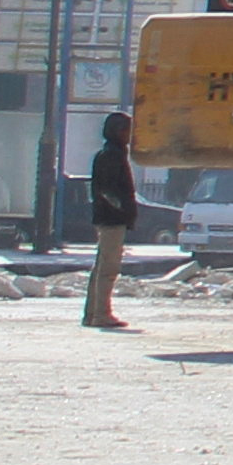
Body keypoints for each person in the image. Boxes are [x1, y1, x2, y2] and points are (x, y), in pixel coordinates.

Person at [81, 115, 138, 332]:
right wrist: (122, 210)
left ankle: (92, 313)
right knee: (108, 268)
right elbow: (109, 190)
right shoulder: (112, 156)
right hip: (111, 219)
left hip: (108, 217)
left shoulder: (111, 154)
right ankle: (101, 314)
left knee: (101, 267)